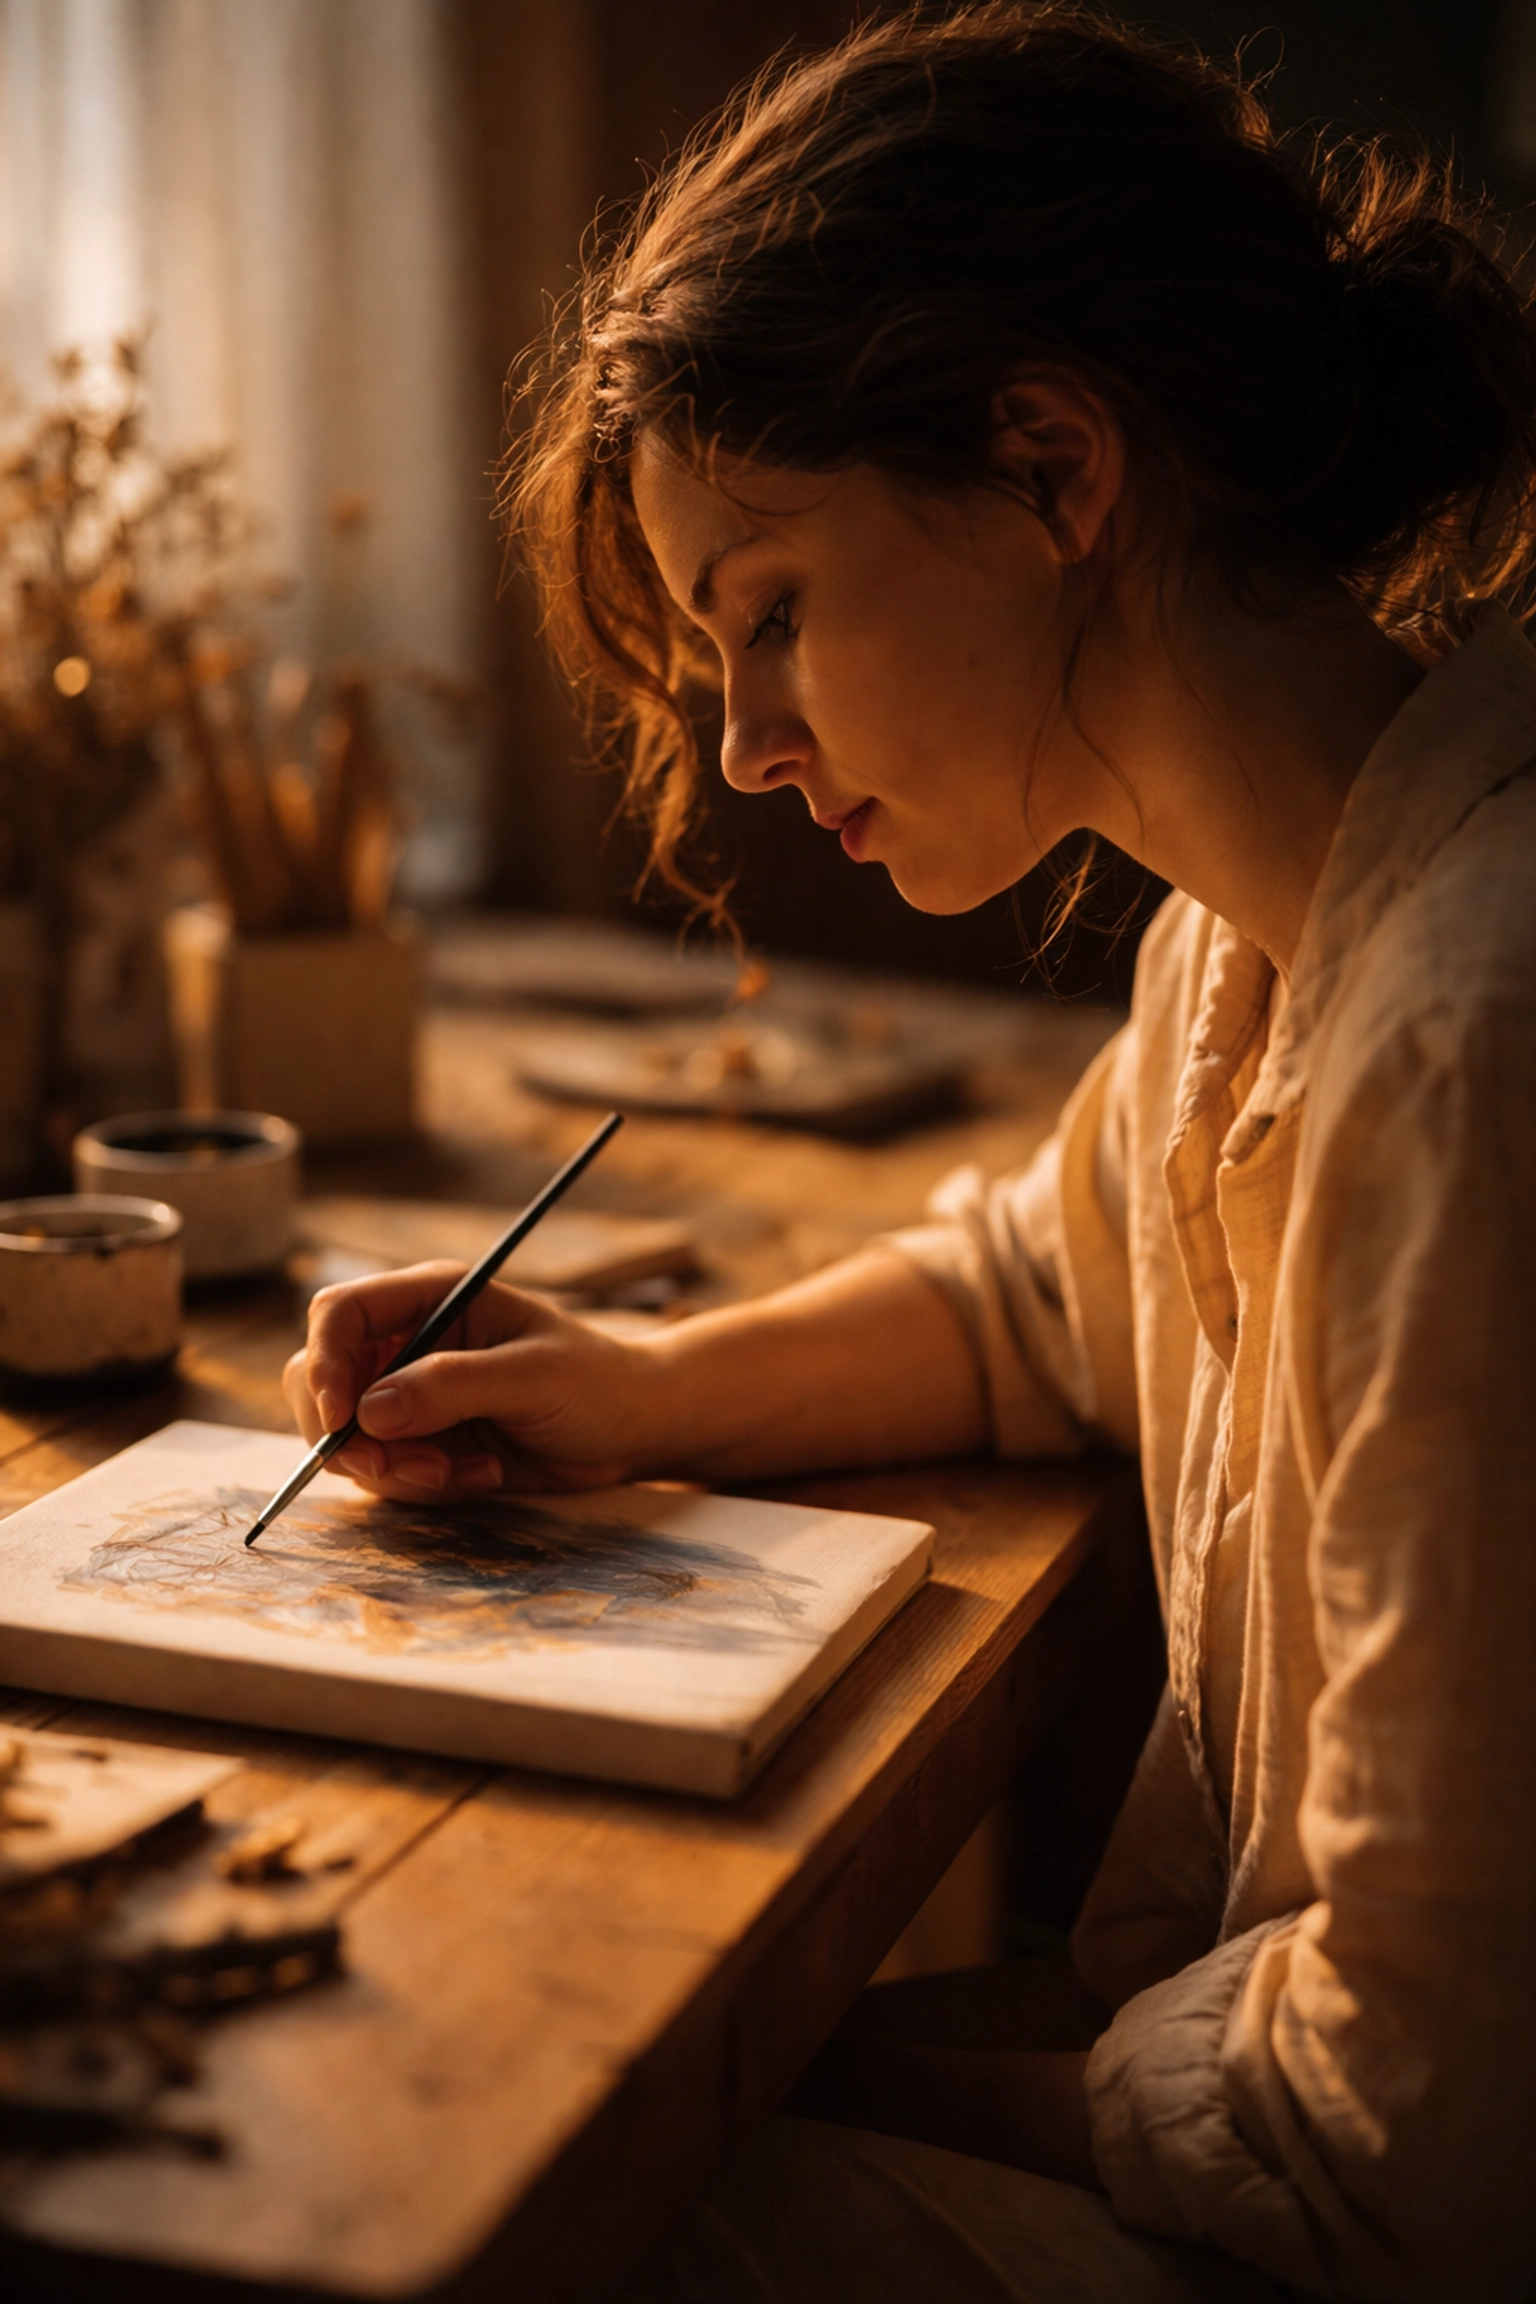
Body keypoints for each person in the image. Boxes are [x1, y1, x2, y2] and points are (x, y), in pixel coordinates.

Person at [284, 7, 1536, 2297]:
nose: (750, 745)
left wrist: (865, 2067)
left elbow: (1431, 2134)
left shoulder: (1475, 1047)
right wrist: (640, 1388)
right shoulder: (1239, 956)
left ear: (1054, 466)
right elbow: (1035, 1291)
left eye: (770, 612)